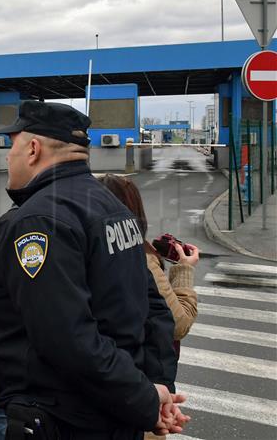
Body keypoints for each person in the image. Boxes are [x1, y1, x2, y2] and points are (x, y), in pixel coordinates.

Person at [0, 101, 188, 439]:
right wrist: (155, 387)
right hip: (115, 414)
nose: (7, 156)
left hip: (62, 418)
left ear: (33, 149)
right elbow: (155, 311)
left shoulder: (40, 218)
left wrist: (148, 399)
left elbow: (68, 338)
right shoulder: (114, 208)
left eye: (12, 144)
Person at [97, 174, 200, 440]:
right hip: (140, 389)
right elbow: (178, 324)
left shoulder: (87, 252)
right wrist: (183, 270)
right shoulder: (140, 258)